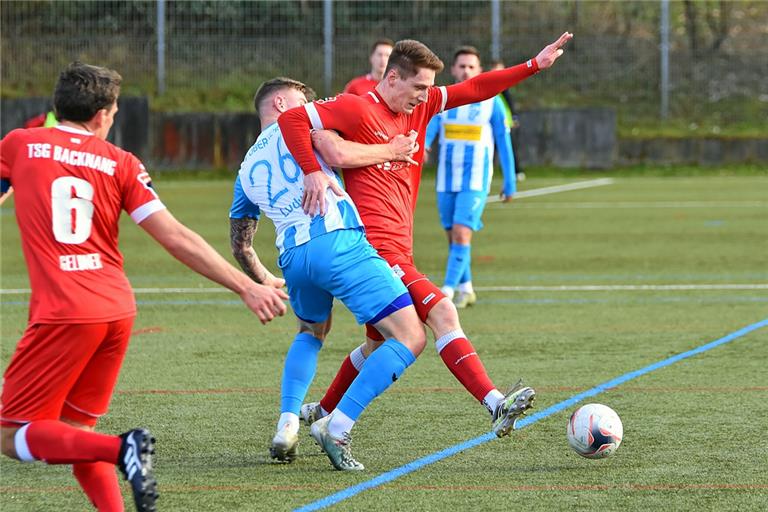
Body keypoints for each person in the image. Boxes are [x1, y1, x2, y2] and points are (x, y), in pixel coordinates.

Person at [0, 62, 288, 512]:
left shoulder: (20, 144)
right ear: (102, 116)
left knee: (11, 435)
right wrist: (245, 287)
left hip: (64, 313)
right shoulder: (122, 163)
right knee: (77, 433)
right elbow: (175, 236)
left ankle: (124, 450)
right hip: (115, 310)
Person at [279, 32, 573, 440]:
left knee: (378, 346)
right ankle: (493, 403)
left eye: (429, 88)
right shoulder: (356, 108)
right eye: (418, 86)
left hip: (401, 249)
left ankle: (323, 410)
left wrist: (532, 66)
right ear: (393, 77)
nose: (426, 96)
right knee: (442, 311)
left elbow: (473, 89)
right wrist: (312, 170)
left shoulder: (423, 105)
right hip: (374, 252)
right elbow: (291, 119)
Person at [229, 77, 426, 470]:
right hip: (336, 240)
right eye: (302, 101)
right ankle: (336, 425)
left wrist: (264, 277)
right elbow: (338, 151)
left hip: (293, 257)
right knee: (410, 335)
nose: (309, 108)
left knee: (311, 332)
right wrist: (392, 149)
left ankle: (287, 424)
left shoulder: (246, 166)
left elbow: (241, 242)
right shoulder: (307, 129)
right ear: (281, 102)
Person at [424, 46, 517, 308]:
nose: (466, 71)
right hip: (446, 179)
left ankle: (447, 292)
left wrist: (509, 181)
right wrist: (425, 147)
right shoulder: (442, 100)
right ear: (453, 69)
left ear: (479, 71)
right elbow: (430, 129)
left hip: (476, 180)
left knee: (462, 234)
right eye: (461, 66)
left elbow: (503, 140)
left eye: (471, 66)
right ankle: (467, 288)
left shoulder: (492, 101)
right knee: (453, 236)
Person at [490, 59, 526, 182]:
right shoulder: (488, 85)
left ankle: (516, 171)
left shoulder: (504, 86)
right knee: (490, 148)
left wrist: (514, 118)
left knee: (510, 147)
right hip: (491, 124)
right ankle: (488, 170)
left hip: (505, 123)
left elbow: (510, 103)